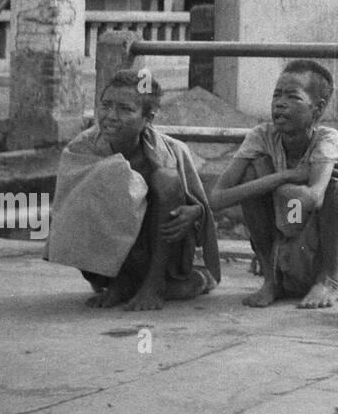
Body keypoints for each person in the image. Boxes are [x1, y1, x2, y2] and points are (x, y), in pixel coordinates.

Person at [47, 70, 220, 310]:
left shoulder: (170, 150)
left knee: (166, 179)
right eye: (106, 106)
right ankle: (122, 283)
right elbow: (68, 210)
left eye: (125, 109)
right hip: (111, 258)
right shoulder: (83, 148)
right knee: (95, 187)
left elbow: (201, 207)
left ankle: (157, 284)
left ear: (148, 117)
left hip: (160, 250)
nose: (111, 116)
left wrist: (194, 212)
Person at [208, 59, 338, 309]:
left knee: (334, 183)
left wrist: (266, 180)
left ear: (317, 108)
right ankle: (271, 281)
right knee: (251, 177)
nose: (280, 103)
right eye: (277, 95)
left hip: (320, 249)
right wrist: (283, 177)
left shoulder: (326, 139)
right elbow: (217, 198)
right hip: (283, 247)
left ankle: (329, 282)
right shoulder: (262, 136)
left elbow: (313, 198)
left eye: (292, 97)